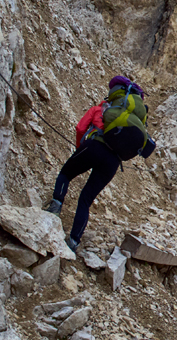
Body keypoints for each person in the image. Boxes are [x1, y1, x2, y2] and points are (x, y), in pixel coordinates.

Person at [44, 75, 156, 251]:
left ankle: (55, 207)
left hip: (94, 147)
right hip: (113, 162)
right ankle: (73, 241)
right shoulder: (131, 122)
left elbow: (81, 128)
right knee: (86, 199)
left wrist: (80, 148)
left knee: (66, 173)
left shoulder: (100, 110)